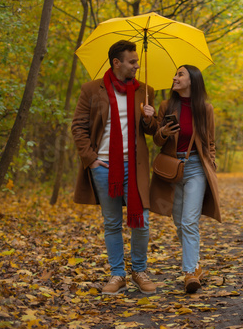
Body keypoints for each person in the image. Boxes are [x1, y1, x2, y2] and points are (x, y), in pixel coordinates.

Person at [71, 40, 158, 295]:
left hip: (135, 165)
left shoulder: (145, 90)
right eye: (132, 62)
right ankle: (117, 274)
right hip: (104, 167)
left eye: (137, 61)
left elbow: (152, 132)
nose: (137, 66)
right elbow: (78, 127)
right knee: (111, 223)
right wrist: (91, 159)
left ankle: (139, 270)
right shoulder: (91, 90)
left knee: (141, 221)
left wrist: (150, 119)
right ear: (117, 62)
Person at [150, 65, 221, 293]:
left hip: (196, 168)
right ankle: (196, 265)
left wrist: (212, 162)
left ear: (192, 80)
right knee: (180, 222)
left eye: (180, 74)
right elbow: (157, 141)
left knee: (190, 222)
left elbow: (209, 141)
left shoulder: (205, 109)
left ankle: (189, 273)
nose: (175, 77)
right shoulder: (166, 106)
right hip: (171, 168)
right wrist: (163, 133)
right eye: (175, 74)